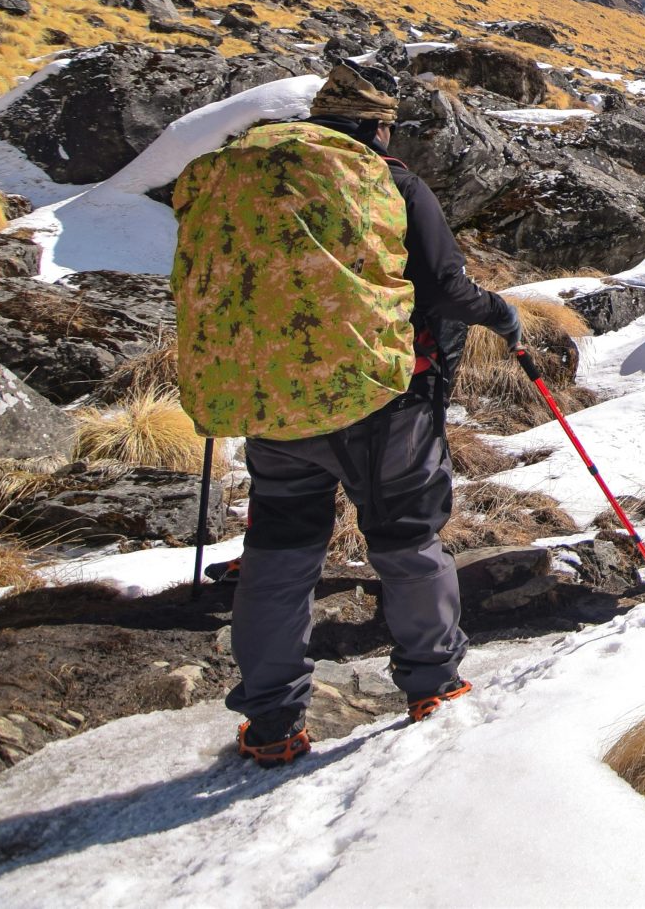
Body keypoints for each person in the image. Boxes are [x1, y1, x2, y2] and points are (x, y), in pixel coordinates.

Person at [219, 61, 523, 767]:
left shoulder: (263, 179)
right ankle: (432, 685)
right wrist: (501, 313)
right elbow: (445, 286)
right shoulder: (393, 182)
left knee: (277, 557)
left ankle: (271, 723)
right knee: (405, 539)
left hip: (278, 402)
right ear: (378, 125)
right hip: (381, 401)